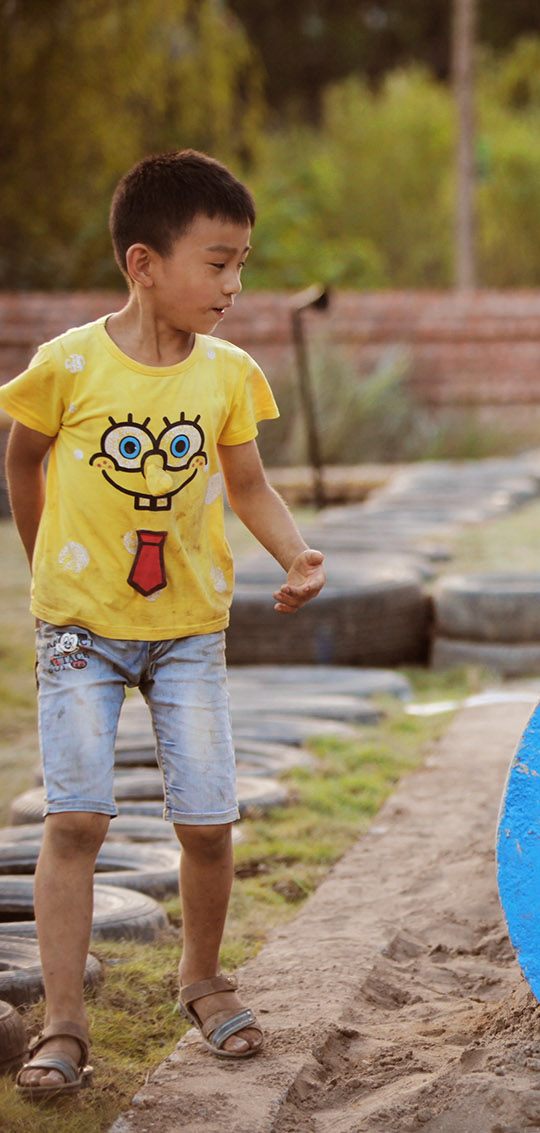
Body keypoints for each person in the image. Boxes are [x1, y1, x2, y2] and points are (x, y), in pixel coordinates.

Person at [0, 150, 325, 1099]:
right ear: (144, 264)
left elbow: (249, 483)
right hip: (79, 633)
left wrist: (295, 555)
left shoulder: (227, 375)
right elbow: (22, 461)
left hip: (189, 629)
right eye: (218, 262)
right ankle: (62, 1021)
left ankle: (202, 979)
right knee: (76, 817)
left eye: (242, 264)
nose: (235, 284)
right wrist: (43, 561)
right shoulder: (66, 365)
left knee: (210, 822)